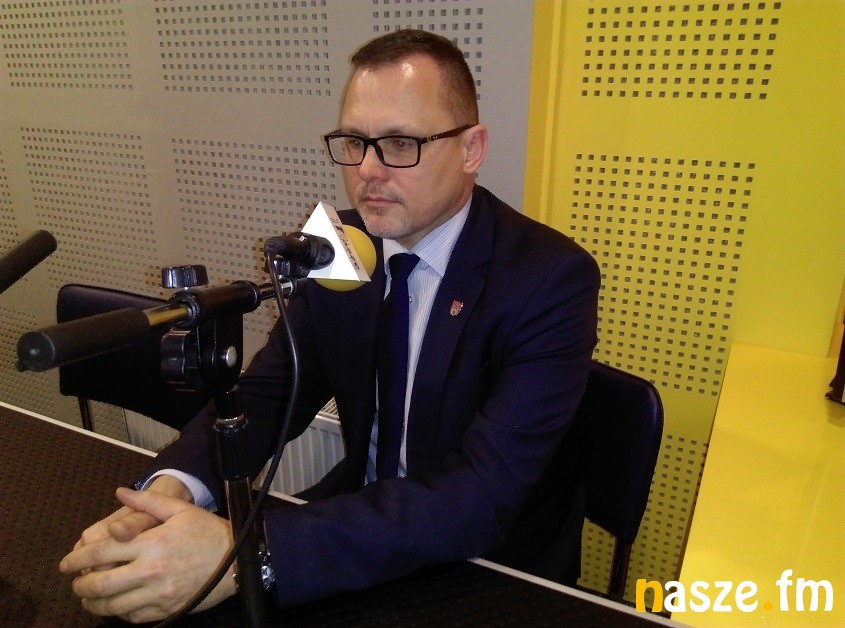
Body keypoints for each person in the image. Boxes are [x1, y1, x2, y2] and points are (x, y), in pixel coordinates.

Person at [59, 29, 600, 623]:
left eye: (399, 143)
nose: (367, 170)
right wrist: (172, 489)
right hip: (358, 520)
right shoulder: (339, 245)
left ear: (472, 149)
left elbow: (481, 495)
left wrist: (249, 554)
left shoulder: (550, 279)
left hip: (493, 564)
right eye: (354, 142)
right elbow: (268, 395)